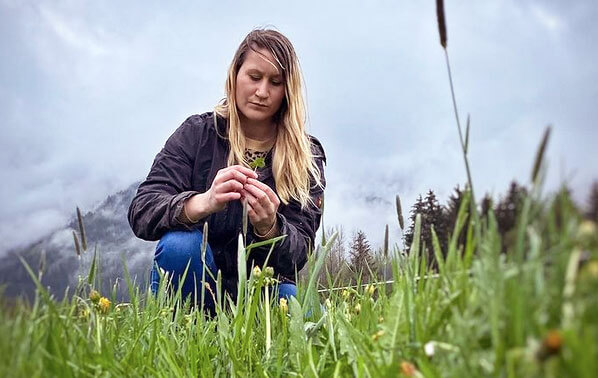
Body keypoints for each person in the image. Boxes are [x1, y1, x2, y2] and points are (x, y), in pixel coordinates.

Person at [127, 29, 326, 313]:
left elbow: (299, 254)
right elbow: (142, 210)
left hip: (263, 289)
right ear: (235, 76)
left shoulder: (306, 155)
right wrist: (202, 203)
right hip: (195, 282)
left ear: (287, 90)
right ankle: (187, 333)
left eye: (275, 82)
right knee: (180, 247)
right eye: (254, 77)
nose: (262, 92)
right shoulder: (198, 134)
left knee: (305, 313)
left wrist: (271, 227)